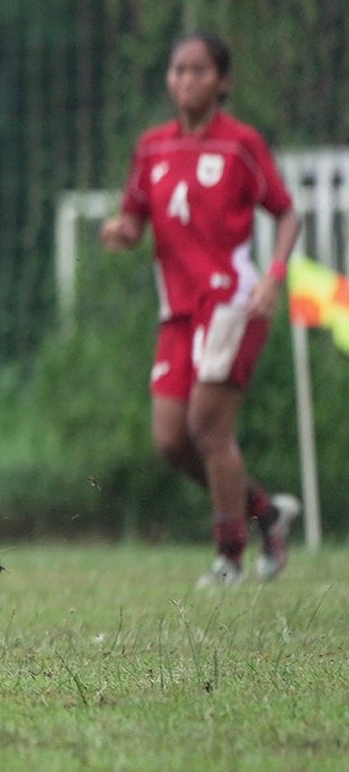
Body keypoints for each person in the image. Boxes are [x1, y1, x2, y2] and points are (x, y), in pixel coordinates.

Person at [99, 31, 302, 587]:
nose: (186, 80)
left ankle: (229, 558)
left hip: (233, 302)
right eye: (177, 70)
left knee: (209, 430)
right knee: (171, 441)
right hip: (178, 311)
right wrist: (122, 232)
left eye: (198, 70)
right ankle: (266, 513)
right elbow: (136, 219)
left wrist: (274, 278)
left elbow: (287, 214)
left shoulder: (240, 145)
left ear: (223, 81)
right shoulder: (152, 148)